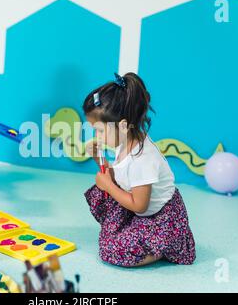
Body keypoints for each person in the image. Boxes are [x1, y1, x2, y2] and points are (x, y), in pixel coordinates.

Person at [83, 73, 196, 267]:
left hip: (161, 218)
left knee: (112, 250)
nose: (96, 135)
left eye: (100, 130)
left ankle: (165, 246)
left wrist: (109, 186)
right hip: (139, 207)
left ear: (123, 126)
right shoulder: (125, 139)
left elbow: (139, 205)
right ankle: (145, 239)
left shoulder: (142, 159)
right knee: (102, 200)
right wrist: (98, 158)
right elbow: (118, 176)